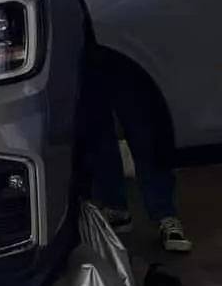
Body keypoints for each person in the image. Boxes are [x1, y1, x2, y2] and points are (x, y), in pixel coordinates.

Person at [77, 42, 192, 254]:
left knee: (144, 131)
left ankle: (164, 214)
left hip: (120, 43)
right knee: (96, 130)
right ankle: (117, 208)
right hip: (88, 47)